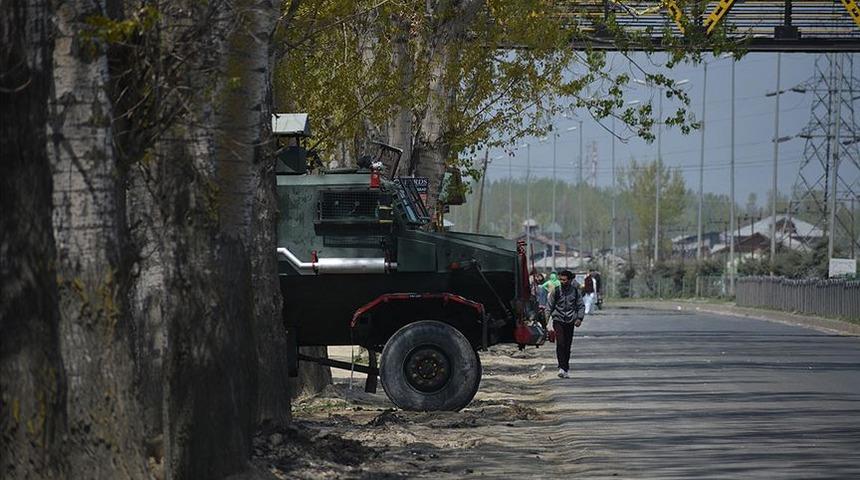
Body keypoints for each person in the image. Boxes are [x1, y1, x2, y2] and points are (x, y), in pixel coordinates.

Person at [546, 270, 585, 378]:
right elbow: (549, 307)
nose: (562, 282)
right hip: (558, 320)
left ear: (570, 280)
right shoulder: (556, 291)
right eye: (561, 280)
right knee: (560, 343)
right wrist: (546, 321)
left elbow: (581, 306)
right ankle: (561, 367)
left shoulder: (575, 292)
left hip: (570, 321)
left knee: (567, 345)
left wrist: (579, 318)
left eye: (565, 280)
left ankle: (565, 367)